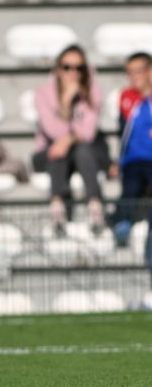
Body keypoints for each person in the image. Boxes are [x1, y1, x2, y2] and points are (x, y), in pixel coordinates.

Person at [33, 45, 107, 235]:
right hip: (48, 154)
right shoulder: (43, 93)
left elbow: (88, 133)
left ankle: (95, 206)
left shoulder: (92, 92)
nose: (73, 73)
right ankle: (57, 207)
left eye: (79, 68)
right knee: (59, 152)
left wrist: (68, 139)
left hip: (83, 154)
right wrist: (65, 102)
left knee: (81, 149)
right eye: (67, 67)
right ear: (58, 69)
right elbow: (53, 132)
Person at [111, 53, 152, 274]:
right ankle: (121, 223)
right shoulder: (128, 98)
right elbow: (123, 131)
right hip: (133, 161)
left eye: (139, 71)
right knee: (130, 188)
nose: (134, 77)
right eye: (130, 72)